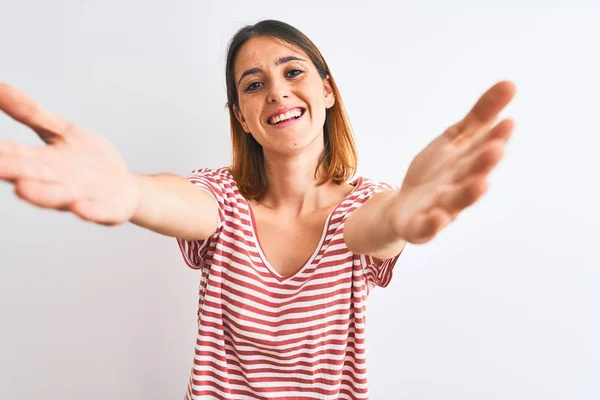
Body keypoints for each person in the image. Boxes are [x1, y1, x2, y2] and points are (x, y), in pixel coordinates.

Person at [0, 19, 516, 400]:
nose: (277, 92)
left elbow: (372, 228)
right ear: (242, 118)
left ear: (327, 91)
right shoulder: (221, 200)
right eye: (253, 84)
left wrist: (403, 213)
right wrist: (130, 192)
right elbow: (178, 202)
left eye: (293, 71)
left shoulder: (361, 206)